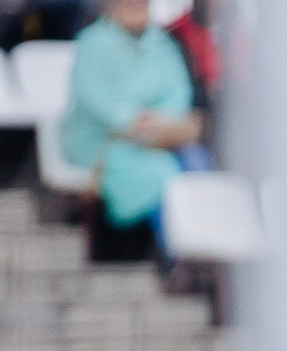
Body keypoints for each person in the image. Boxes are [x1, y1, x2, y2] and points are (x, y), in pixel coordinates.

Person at [61, 0, 205, 240]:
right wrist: (134, 120)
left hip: (157, 136)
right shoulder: (92, 43)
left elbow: (179, 91)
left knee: (197, 162)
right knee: (161, 174)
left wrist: (160, 119)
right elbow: (95, 96)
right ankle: (178, 249)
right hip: (104, 142)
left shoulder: (161, 42)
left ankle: (202, 245)